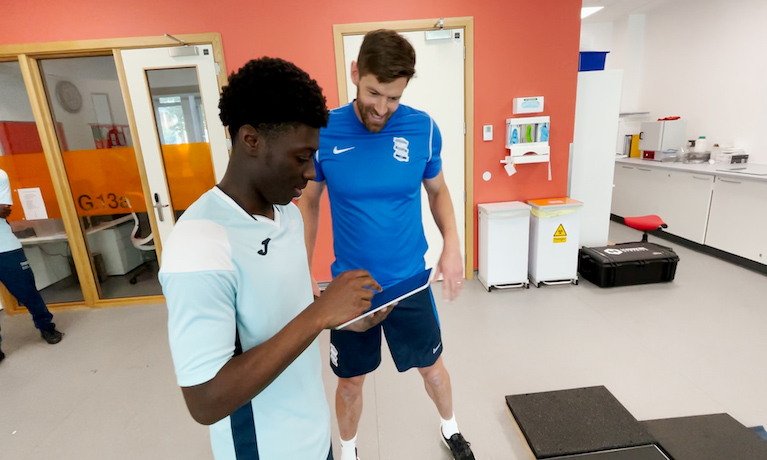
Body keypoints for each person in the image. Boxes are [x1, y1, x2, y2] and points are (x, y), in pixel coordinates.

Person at [159, 57, 390, 460]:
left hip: (313, 436)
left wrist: (340, 316)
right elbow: (206, 401)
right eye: (301, 157)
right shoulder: (200, 243)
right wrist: (319, 317)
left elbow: (282, 316)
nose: (311, 171)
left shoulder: (285, 214)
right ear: (251, 140)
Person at [298, 29, 475, 460]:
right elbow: (308, 203)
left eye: (392, 98)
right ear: (356, 73)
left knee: (432, 372)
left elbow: (438, 191)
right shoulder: (324, 129)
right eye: (374, 92)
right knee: (350, 383)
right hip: (350, 288)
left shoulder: (423, 129)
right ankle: (349, 448)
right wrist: (303, 272)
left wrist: (453, 245)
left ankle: (451, 429)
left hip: (409, 282)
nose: (381, 108)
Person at [0, 169, 64, 364]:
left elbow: (3, 210)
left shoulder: (0, 175)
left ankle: (46, 326)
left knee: (27, 292)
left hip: (6, 248)